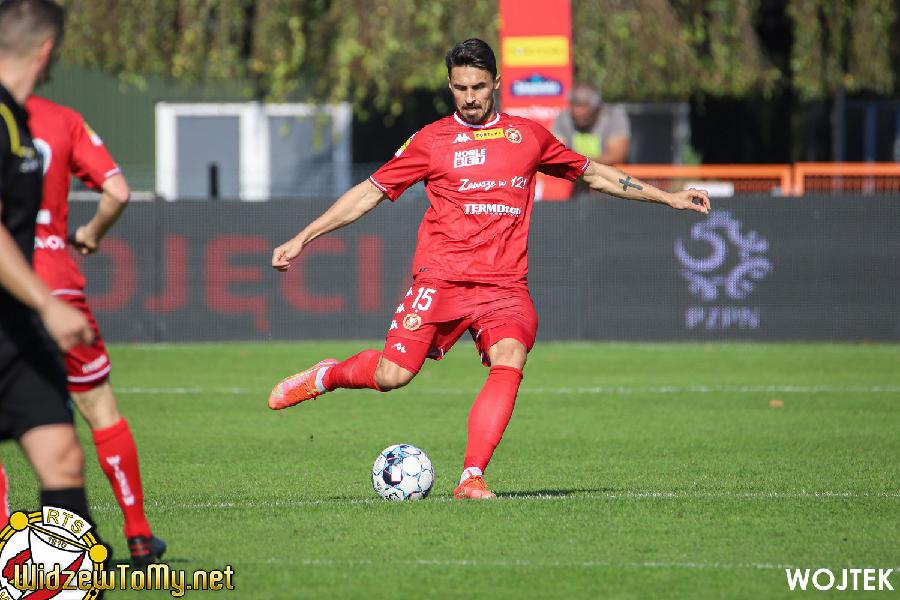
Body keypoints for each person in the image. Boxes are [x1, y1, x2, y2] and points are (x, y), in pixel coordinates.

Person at [268, 39, 709, 499]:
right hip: (441, 280)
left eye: (478, 86)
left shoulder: (528, 137)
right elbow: (368, 193)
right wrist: (303, 238)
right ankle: (326, 376)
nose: (470, 97)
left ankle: (471, 477)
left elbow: (595, 173)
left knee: (510, 355)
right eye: (460, 88)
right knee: (391, 376)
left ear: (496, 83)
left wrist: (669, 198)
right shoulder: (431, 141)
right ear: (450, 86)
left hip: (504, 288)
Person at [25, 93, 166, 566]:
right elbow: (119, 191)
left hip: (10, 280)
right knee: (99, 406)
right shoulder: (61, 119)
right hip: (56, 280)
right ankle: (139, 533)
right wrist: (91, 233)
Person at [0, 0, 95, 525]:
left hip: (13, 328)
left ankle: (65, 570)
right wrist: (48, 304)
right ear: (47, 49)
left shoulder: (18, 118)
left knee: (61, 455)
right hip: (27, 311)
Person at [552, 82, 630, 166]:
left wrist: (582, 164)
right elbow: (556, 153)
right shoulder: (563, 117)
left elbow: (617, 156)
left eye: (583, 106)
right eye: (575, 106)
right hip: (574, 171)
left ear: (597, 106)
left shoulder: (614, 116)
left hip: (607, 171)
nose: (578, 112)